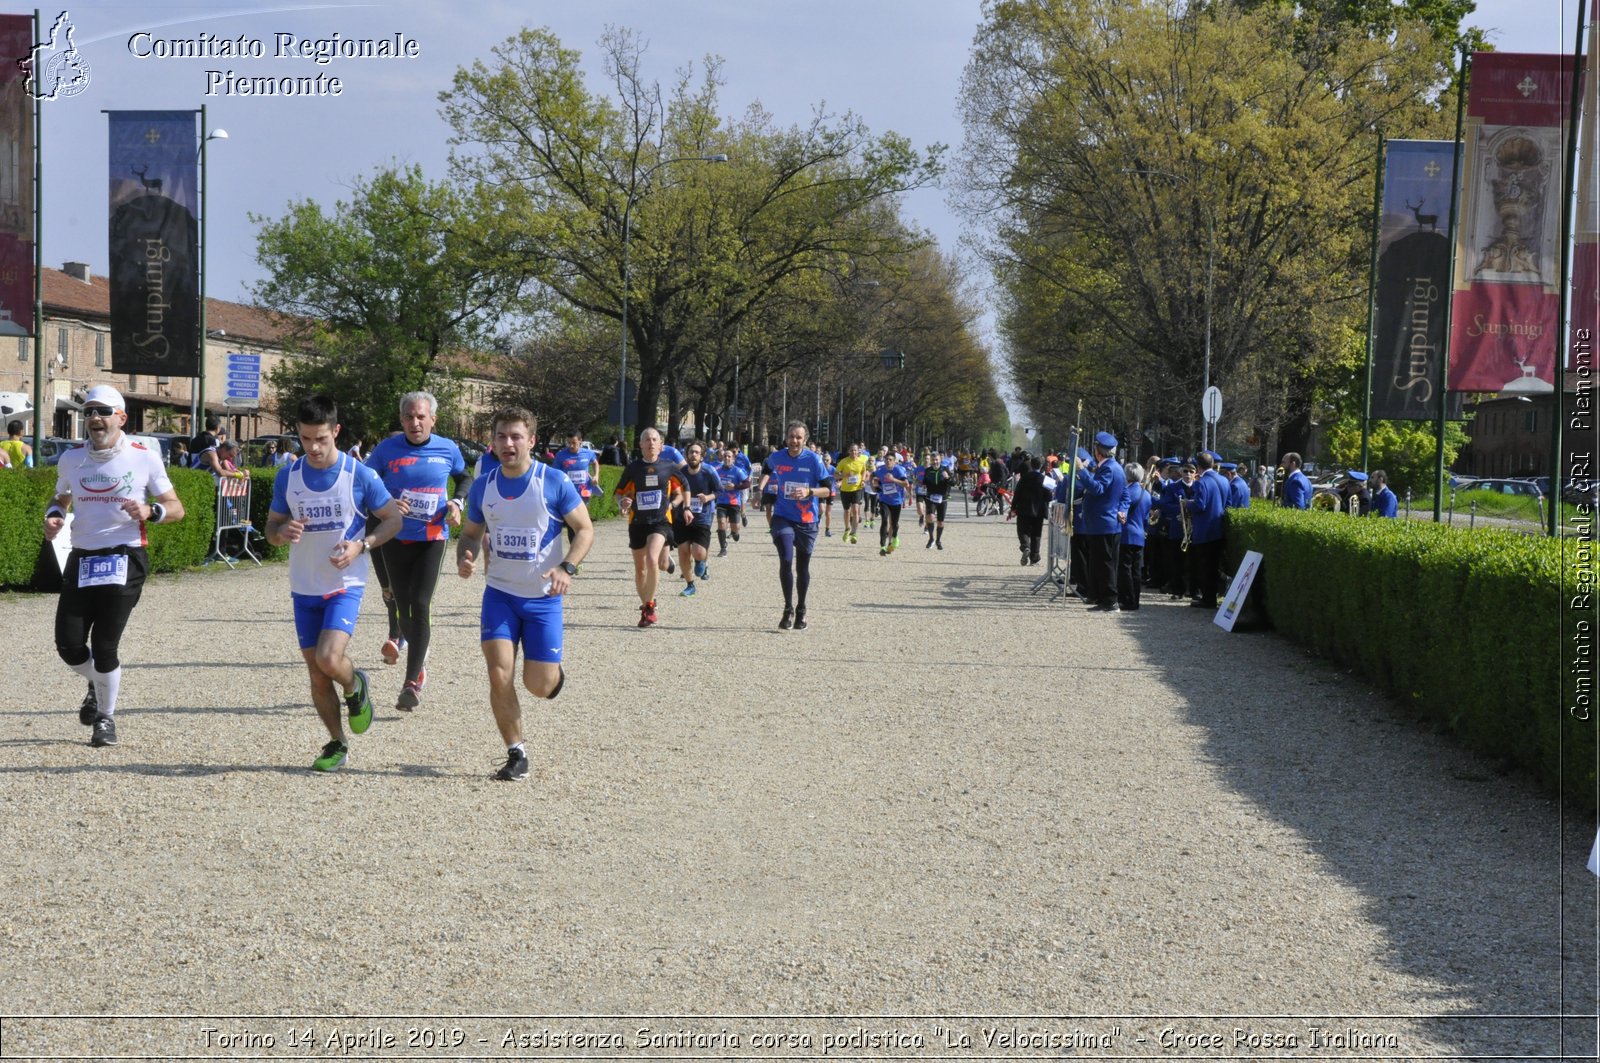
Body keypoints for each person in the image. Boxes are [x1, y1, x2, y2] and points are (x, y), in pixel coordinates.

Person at [264, 395, 404, 772]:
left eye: (321, 439)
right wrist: (281, 532)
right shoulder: (288, 476)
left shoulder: (359, 474)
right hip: (303, 585)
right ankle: (337, 742)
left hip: (345, 583)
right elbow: (271, 528)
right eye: (306, 439)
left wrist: (363, 544)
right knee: (316, 672)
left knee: (328, 658)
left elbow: (392, 519)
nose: (313, 447)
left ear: (336, 431)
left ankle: (356, 683)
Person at [456, 407, 594, 782]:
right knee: (499, 673)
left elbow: (584, 529)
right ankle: (516, 753)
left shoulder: (553, 481)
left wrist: (567, 568)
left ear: (531, 441)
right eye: (501, 436)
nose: (508, 444)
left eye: (516, 436)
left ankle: (552, 676)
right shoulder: (484, 485)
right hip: (499, 594)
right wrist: (465, 556)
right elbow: (469, 533)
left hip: (543, 599)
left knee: (538, 685)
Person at [43, 385, 185, 748]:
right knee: (69, 645)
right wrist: (54, 516)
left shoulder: (143, 457)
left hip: (126, 555)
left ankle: (105, 718)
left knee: (105, 646)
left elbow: (176, 507)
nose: (95, 418)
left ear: (121, 417)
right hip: (82, 556)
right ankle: (98, 683)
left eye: (104, 411)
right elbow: (61, 497)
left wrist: (152, 511)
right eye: (89, 412)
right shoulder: (72, 459)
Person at [364, 391, 471, 711]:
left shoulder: (447, 448)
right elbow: (365, 483)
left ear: (433, 420)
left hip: (432, 536)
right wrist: (385, 502)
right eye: (409, 417)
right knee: (402, 605)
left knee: (421, 604)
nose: (415, 422)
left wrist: (457, 502)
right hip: (395, 536)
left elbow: (465, 477)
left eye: (421, 417)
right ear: (401, 419)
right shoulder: (386, 450)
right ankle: (416, 658)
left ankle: (411, 681)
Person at [613, 427, 687, 628]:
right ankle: (646, 604)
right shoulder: (633, 468)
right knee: (640, 569)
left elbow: (681, 491)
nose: (651, 443)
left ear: (661, 445)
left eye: (655, 439)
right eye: (647, 439)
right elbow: (618, 493)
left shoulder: (668, 466)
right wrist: (622, 503)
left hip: (660, 521)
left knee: (652, 559)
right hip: (637, 522)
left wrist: (676, 505)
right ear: (641, 444)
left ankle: (650, 606)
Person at [761, 421, 831, 629]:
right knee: (785, 559)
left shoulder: (814, 460)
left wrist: (810, 492)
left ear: (805, 440)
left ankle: (801, 608)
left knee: (802, 567)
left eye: (799, 437)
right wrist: (760, 489)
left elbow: (828, 490)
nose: (794, 441)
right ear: (786, 437)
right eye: (791, 436)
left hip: (807, 520)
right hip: (783, 515)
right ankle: (787, 608)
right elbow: (766, 469)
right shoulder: (777, 457)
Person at [1074, 432, 1124, 612]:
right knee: (1099, 562)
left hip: (1103, 523)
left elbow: (1097, 489)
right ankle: (1101, 596)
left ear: (1098, 451)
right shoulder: (1114, 467)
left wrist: (1081, 471)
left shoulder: (1109, 468)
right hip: (1104, 522)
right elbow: (1124, 494)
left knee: (1105, 563)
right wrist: (1122, 511)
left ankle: (1110, 600)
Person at [675, 441, 720, 596]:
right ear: (686, 455)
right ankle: (690, 585)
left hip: (703, 518)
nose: (693, 455)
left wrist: (708, 497)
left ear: (702, 456)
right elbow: (673, 491)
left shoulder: (709, 472)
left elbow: (719, 492)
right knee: (683, 551)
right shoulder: (681, 472)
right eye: (690, 452)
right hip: (683, 518)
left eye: (696, 452)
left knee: (698, 552)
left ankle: (702, 561)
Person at [1186, 451, 1228, 610]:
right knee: (1214, 566)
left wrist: (1186, 503)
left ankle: (1208, 599)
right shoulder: (1223, 480)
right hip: (1218, 529)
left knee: (1204, 567)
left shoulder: (1202, 482)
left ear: (1198, 466)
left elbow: (1199, 505)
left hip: (1204, 531)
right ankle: (1212, 597)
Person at [552, 430, 602, 546]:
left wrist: (596, 475)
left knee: (583, 522)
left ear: (580, 441)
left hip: (584, 493)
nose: (571, 445)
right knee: (572, 524)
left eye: (574, 442)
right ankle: (574, 549)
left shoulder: (588, 453)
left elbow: (595, 462)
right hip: (568, 494)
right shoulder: (561, 455)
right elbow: (555, 473)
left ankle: (581, 546)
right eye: (568, 442)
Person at [1116, 462, 1151, 611]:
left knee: (1125, 569)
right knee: (1136, 570)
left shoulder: (1126, 493)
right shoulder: (1146, 494)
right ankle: (1135, 599)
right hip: (1139, 534)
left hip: (1126, 534)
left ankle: (1127, 599)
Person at [1010, 456, 1051, 565]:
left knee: (1022, 531)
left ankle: (1025, 546)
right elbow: (1049, 496)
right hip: (1039, 511)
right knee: (1036, 534)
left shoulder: (1024, 478)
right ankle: (1034, 557)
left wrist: (1013, 507)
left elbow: (1017, 493)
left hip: (1024, 509)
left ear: (1031, 465)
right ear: (1041, 466)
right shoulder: (1045, 479)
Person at [713, 446, 749, 556]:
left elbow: (747, 483)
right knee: (721, 523)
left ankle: (735, 532)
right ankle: (723, 548)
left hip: (734, 503)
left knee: (735, 528)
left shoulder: (737, 471)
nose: (727, 458)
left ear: (733, 459)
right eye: (725, 456)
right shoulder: (717, 470)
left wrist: (735, 487)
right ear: (722, 458)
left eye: (729, 456)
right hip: (721, 502)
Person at [873, 451, 909, 556]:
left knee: (894, 524)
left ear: (894, 462)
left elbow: (905, 484)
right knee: (884, 520)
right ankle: (882, 546)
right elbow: (874, 479)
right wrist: (874, 484)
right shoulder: (880, 470)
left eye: (890, 460)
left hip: (896, 501)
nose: (888, 461)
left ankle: (893, 539)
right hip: (884, 500)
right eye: (886, 459)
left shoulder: (898, 470)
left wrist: (893, 479)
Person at [833, 442, 869, 544]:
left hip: (856, 489)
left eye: (855, 450)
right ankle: (847, 528)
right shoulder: (844, 462)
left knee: (856, 510)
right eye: (852, 450)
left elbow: (863, 472)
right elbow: (835, 475)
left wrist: (862, 481)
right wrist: (845, 475)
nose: (854, 452)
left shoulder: (862, 461)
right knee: (847, 511)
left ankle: (854, 533)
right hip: (845, 490)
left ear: (858, 452)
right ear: (849, 451)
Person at [922, 450, 955, 549]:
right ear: (931, 461)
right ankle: (931, 538)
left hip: (942, 498)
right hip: (930, 497)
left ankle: (938, 540)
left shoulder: (945, 469)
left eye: (936, 460)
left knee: (940, 522)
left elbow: (953, 483)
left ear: (940, 459)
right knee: (930, 517)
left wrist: (948, 478)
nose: (935, 462)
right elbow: (924, 482)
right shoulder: (928, 471)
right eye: (933, 460)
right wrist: (923, 485)